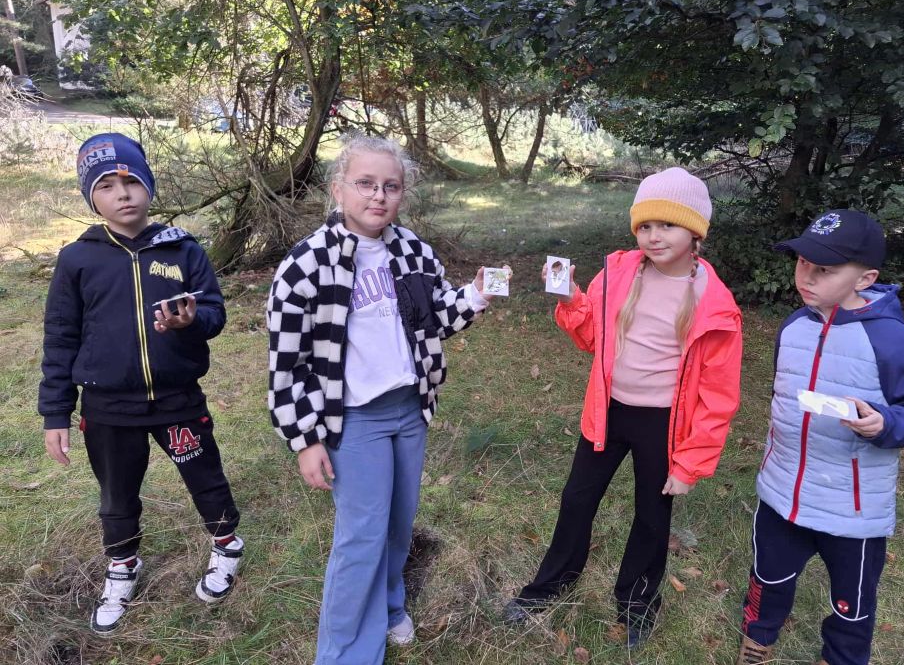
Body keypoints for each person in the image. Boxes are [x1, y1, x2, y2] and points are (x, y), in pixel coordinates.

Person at [267, 134, 508, 665]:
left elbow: (434, 319)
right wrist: (305, 439)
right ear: (338, 189)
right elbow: (287, 364)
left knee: (399, 525)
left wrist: (475, 295)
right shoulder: (307, 265)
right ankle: (345, 652)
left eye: (391, 186)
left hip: (409, 411)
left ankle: (390, 605)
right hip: (353, 419)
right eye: (366, 184)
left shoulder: (413, 251)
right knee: (362, 537)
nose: (378, 196)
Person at [503, 168, 743, 648]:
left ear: (695, 231)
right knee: (576, 500)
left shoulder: (714, 302)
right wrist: (571, 299)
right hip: (608, 411)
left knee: (652, 517)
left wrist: (691, 463)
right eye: (645, 226)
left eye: (667, 225)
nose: (654, 236)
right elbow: (591, 337)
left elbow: (718, 395)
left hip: (663, 424)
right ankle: (549, 585)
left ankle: (636, 605)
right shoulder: (619, 272)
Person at [39, 133, 243, 635]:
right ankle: (122, 565)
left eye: (130, 181)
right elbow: (61, 336)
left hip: (177, 399)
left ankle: (226, 545)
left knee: (205, 478)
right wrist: (55, 413)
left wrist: (190, 322)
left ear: (147, 186)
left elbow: (214, 313)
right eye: (106, 186)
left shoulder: (182, 248)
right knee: (117, 495)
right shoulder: (77, 259)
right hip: (108, 408)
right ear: (92, 198)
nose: (122, 194)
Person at [736, 210, 904, 665]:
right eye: (802, 263)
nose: (807, 277)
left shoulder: (892, 340)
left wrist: (885, 424)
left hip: (852, 511)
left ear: (865, 278)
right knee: (768, 579)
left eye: (825, 269)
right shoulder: (794, 326)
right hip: (783, 494)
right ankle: (757, 640)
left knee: (851, 605)